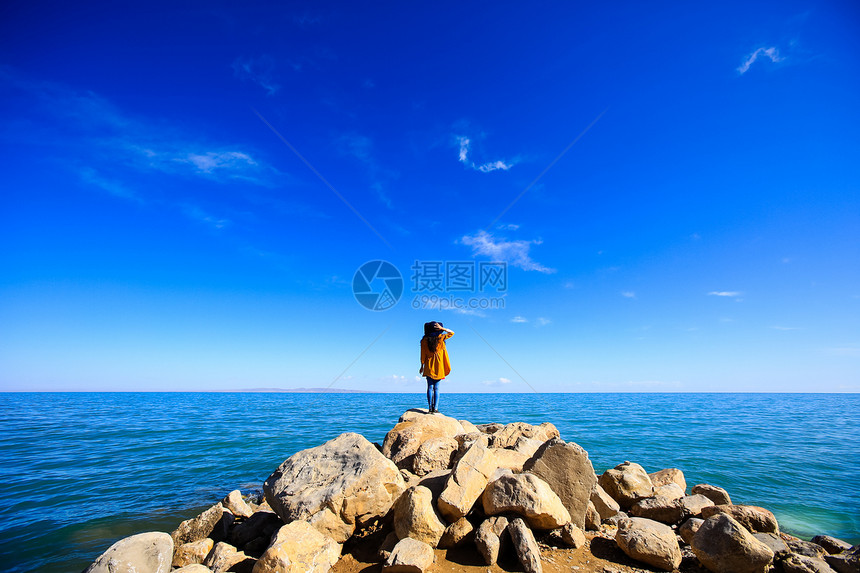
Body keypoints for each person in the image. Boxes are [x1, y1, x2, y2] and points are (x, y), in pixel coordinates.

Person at [419, 321, 454, 413]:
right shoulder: (441, 338)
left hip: (428, 365)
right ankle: (435, 409)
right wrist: (442, 329)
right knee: (437, 388)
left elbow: (422, 355)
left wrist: (422, 366)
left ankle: (430, 408)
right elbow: (452, 333)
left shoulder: (424, 341)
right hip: (439, 366)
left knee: (430, 387)